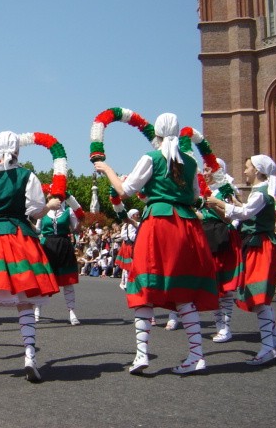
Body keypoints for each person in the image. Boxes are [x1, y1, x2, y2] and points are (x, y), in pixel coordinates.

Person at [95, 113, 218, 375]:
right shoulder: (190, 162)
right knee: (184, 291)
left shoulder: (151, 158)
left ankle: (141, 355)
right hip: (186, 226)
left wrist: (107, 169)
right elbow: (195, 197)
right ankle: (196, 355)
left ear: (157, 134)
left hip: (158, 225)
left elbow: (125, 190)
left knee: (144, 285)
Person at [0, 131, 61, 382]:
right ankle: (29, 356)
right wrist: (51, 205)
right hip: (18, 236)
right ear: (17, 149)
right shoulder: (27, 175)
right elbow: (35, 212)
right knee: (25, 298)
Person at [206, 155, 276, 365]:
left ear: (258, 170)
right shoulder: (260, 192)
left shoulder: (260, 193)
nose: (245, 171)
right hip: (257, 245)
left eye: (248, 167)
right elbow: (245, 210)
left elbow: (245, 214)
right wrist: (233, 202)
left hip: (262, 247)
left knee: (258, 297)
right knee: (258, 296)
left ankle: (268, 346)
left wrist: (218, 202)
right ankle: (273, 339)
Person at [198, 159, 243, 342]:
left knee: (224, 287)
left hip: (221, 235)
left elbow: (230, 218)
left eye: (207, 169)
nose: (204, 172)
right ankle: (219, 325)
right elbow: (202, 217)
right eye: (204, 169)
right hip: (207, 235)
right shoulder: (205, 193)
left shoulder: (225, 191)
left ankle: (225, 326)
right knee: (213, 286)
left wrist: (213, 204)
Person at [34, 193, 81, 325]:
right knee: (43, 280)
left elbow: (76, 229)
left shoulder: (68, 211)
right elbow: (37, 230)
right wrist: (25, 221)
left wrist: (80, 220)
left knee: (67, 281)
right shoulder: (43, 211)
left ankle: (72, 312)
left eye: (56, 197)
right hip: (47, 246)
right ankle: (37, 311)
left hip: (63, 245)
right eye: (50, 197)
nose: (53, 199)